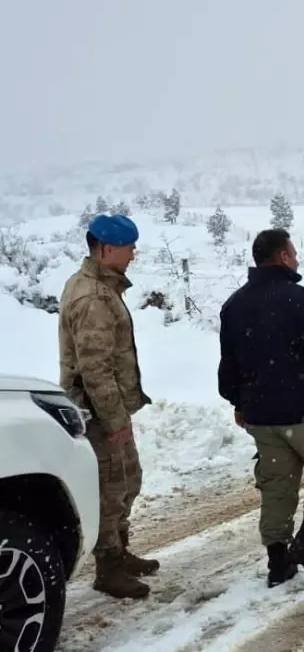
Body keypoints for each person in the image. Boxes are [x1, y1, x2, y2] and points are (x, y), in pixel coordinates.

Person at [218, 229, 304, 588]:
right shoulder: (303, 300)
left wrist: (237, 400)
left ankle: (278, 561)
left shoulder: (234, 305)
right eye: (293, 253)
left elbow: (229, 362)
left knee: (277, 486)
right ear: (282, 257)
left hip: (261, 417)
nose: (296, 259)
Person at [59, 214, 157, 599]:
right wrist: (115, 419)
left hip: (110, 412)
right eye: (130, 247)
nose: (134, 254)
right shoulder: (93, 297)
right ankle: (108, 568)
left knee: (127, 483)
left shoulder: (101, 287)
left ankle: (119, 550)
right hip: (99, 415)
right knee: (111, 490)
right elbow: (94, 367)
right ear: (107, 249)